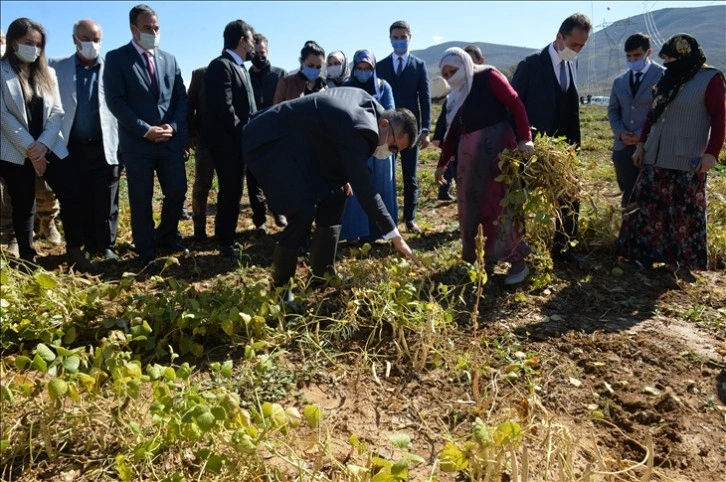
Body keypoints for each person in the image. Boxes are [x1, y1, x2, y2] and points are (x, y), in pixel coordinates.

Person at [243, 88, 419, 302]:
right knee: (302, 213)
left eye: (395, 151)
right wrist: (394, 235)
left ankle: (322, 275)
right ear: (384, 125)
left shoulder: (370, 109)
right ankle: (280, 289)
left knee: (337, 195)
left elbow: (336, 134)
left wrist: (344, 174)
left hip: (304, 147)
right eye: (392, 147)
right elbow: (366, 190)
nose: (390, 153)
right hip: (273, 142)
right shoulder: (362, 126)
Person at [617, 34, 725, 272]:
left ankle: (682, 264)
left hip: (686, 156)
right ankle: (641, 257)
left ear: (685, 56)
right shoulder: (668, 79)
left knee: (684, 212)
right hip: (655, 152)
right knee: (646, 207)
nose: (667, 64)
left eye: (671, 59)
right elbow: (652, 116)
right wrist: (641, 144)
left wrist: (711, 154)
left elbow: (719, 118)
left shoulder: (710, 79)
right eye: (664, 60)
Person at [0, 17, 94, 272]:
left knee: (71, 194)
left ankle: (75, 250)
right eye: (28, 42)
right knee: (23, 203)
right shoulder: (2, 71)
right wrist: (31, 149)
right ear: (13, 42)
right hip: (15, 149)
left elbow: (58, 112)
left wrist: (41, 146)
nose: (34, 48)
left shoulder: (47, 72)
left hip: (51, 145)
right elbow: (3, 115)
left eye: (39, 44)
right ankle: (28, 259)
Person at [436, 47, 535, 285]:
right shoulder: (456, 94)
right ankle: (481, 261)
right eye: (446, 73)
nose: (451, 76)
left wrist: (525, 138)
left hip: (497, 154)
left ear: (466, 65)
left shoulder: (488, 76)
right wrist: (442, 164)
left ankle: (517, 263)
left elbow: (515, 103)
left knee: (500, 207)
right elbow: (453, 133)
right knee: (471, 210)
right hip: (469, 161)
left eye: (454, 70)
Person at [104, 4, 189, 265]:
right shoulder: (117, 58)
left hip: (168, 141)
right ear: (133, 28)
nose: (153, 32)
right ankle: (146, 247)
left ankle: (165, 235)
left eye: (156, 27)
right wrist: (145, 129)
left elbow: (180, 98)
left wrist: (173, 126)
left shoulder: (169, 59)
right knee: (141, 198)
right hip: (138, 143)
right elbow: (116, 101)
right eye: (147, 28)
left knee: (177, 190)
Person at [511, 13, 593, 267]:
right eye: (574, 44)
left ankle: (563, 248)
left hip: (563, 150)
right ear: (559, 37)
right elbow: (514, 107)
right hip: (531, 149)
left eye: (582, 46)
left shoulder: (572, 64)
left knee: (570, 197)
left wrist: (573, 149)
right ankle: (518, 250)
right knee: (521, 198)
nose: (577, 50)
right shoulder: (532, 64)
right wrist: (522, 140)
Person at [49, 19, 121, 262]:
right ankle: (82, 243)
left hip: (105, 144)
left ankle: (106, 245)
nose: (91, 44)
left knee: (106, 198)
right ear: (74, 39)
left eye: (96, 39)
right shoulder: (56, 67)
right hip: (71, 146)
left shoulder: (112, 67)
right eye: (86, 39)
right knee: (79, 197)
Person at [202, 19, 258, 259]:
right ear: (242, 41)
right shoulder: (220, 66)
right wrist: (244, 132)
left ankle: (229, 237)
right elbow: (225, 109)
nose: (254, 45)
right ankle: (225, 241)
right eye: (252, 40)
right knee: (229, 190)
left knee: (235, 191)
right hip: (227, 144)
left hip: (238, 142)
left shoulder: (240, 68)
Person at [376, 20, 432, 234]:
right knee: (385, 174)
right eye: (395, 37)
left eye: (403, 37)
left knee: (411, 175)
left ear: (410, 37)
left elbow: (425, 99)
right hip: (387, 131)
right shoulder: (380, 66)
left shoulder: (418, 65)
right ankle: (386, 220)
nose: (399, 41)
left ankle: (410, 218)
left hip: (410, 131)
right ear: (390, 39)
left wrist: (425, 129)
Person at [340, 49, 397, 242]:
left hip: (381, 144)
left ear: (373, 68)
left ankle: (381, 232)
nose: (363, 71)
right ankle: (356, 232)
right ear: (354, 68)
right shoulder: (346, 87)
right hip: (357, 144)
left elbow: (390, 113)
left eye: (367, 68)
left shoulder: (383, 86)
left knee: (382, 185)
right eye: (360, 68)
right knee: (357, 187)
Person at [607, 33, 665, 207]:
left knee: (650, 196)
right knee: (628, 196)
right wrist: (620, 133)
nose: (632, 60)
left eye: (637, 56)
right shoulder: (619, 81)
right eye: (629, 56)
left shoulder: (662, 77)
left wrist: (642, 135)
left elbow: (663, 112)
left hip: (651, 147)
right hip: (623, 148)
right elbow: (613, 111)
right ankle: (628, 230)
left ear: (648, 52)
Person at [433, 44, 486, 202]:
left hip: (486, 151)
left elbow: (513, 105)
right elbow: (448, 121)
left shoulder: (489, 81)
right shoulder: (454, 96)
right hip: (459, 149)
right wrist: (438, 138)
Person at [248, 32, 287, 233]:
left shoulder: (280, 75)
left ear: (268, 51)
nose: (259, 56)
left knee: (277, 176)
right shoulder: (244, 75)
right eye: (255, 52)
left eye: (262, 52)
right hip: (252, 133)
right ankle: (259, 220)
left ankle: (278, 209)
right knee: (254, 179)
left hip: (275, 133)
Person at [186, 66, 215, 241]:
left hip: (228, 144)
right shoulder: (201, 74)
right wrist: (192, 134)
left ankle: (223, 229)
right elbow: (189, 107)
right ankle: (199, 228)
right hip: (205, 141)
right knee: (202, 186)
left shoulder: (238, 72)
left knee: (228, 188)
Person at [273, 40, 327, 104]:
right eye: (310, 66)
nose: (314, 69)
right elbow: (276, 108)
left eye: (318, 67)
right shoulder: (287, 82)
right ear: (301, 62)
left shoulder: (323, 85)